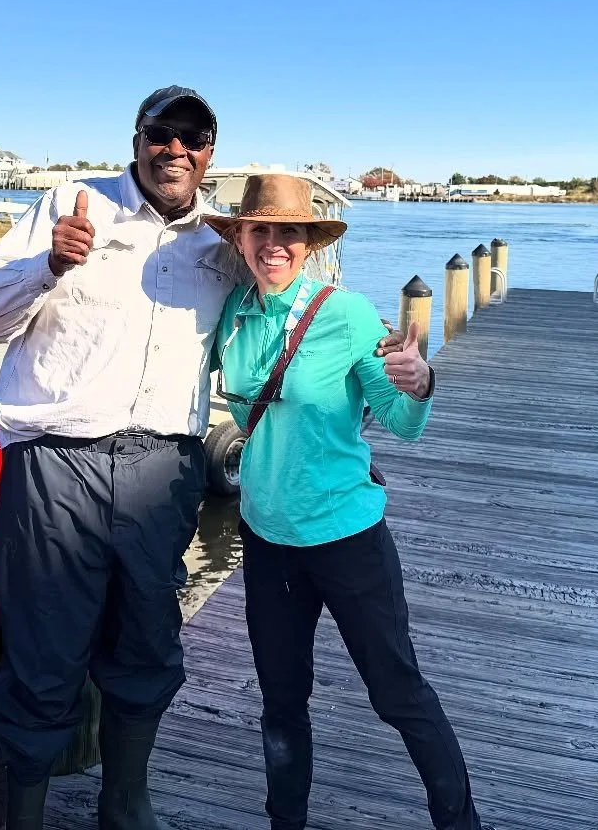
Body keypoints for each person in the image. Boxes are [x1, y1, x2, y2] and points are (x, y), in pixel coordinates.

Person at [0, 86, 240, 829]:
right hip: (55, 463)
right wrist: (47, 266)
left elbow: (274, 333)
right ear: (138, 137)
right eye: (161, 132)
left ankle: (126, 802)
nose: (175, 148)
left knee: (147, 642)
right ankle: (25, 818)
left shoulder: (221, 243)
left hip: (165, 468)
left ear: (211, 151)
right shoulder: (70, 203)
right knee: (43, 648)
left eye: (193, 136)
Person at [207, 174, 485, 830]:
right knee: (281, 701)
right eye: (261, 229)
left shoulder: (347, 314)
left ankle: (462, 822)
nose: (274, 243)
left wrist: (421, 381)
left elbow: (402, 420)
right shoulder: (235, 314)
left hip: (347, 540)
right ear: (241, 237)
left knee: (398, 694)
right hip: (268, 541)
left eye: (289, 232)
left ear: (308, 242)